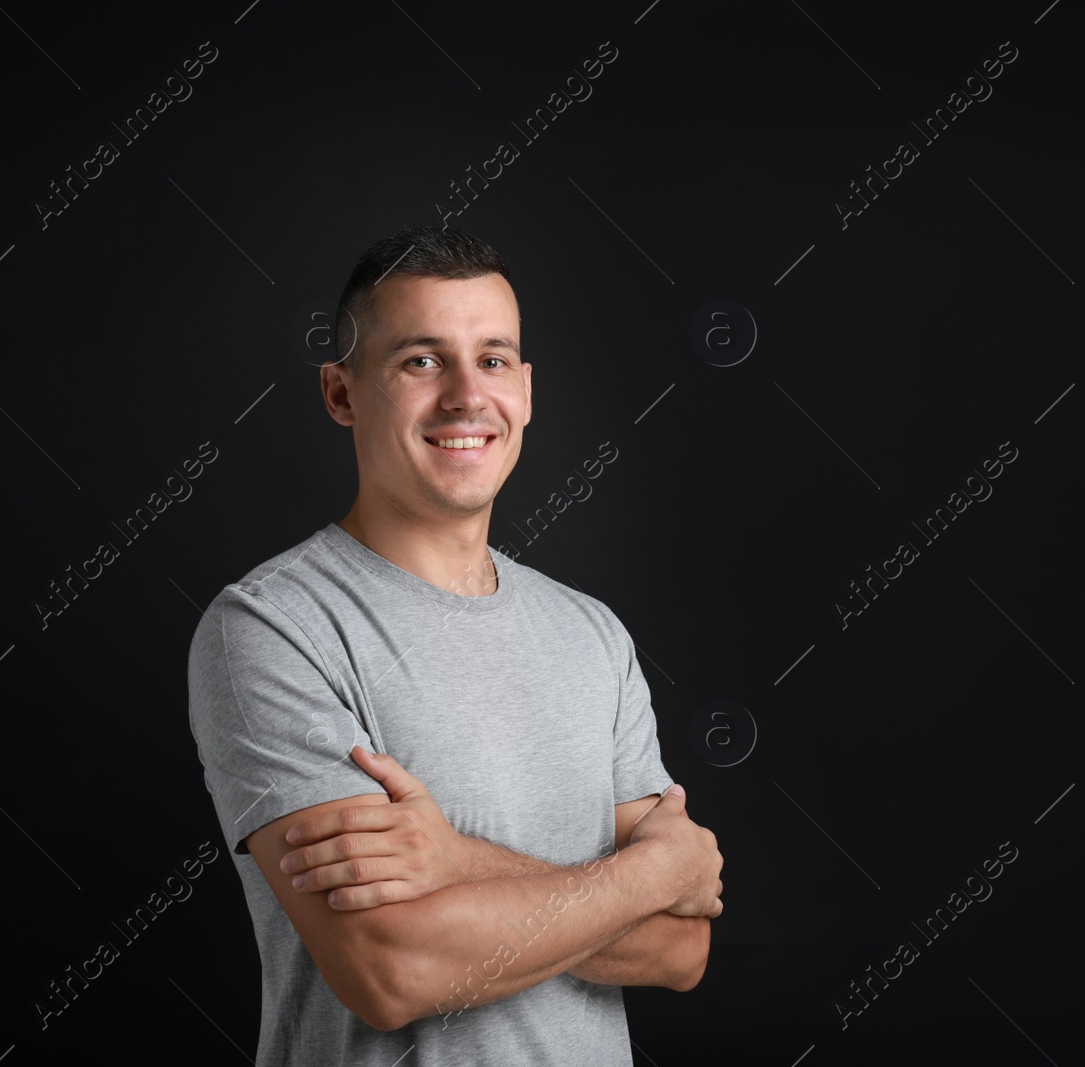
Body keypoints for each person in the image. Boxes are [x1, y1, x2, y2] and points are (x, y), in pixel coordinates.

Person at [186, 226, 724, 1066]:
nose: (468, 396)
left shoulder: (592, 635)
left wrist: (455, 862)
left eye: (495, 359)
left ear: (528, 389)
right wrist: (655, 876)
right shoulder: (272, 626)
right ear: (340, 392)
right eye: (421, 360)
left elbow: (681, 950)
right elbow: (389, 967)